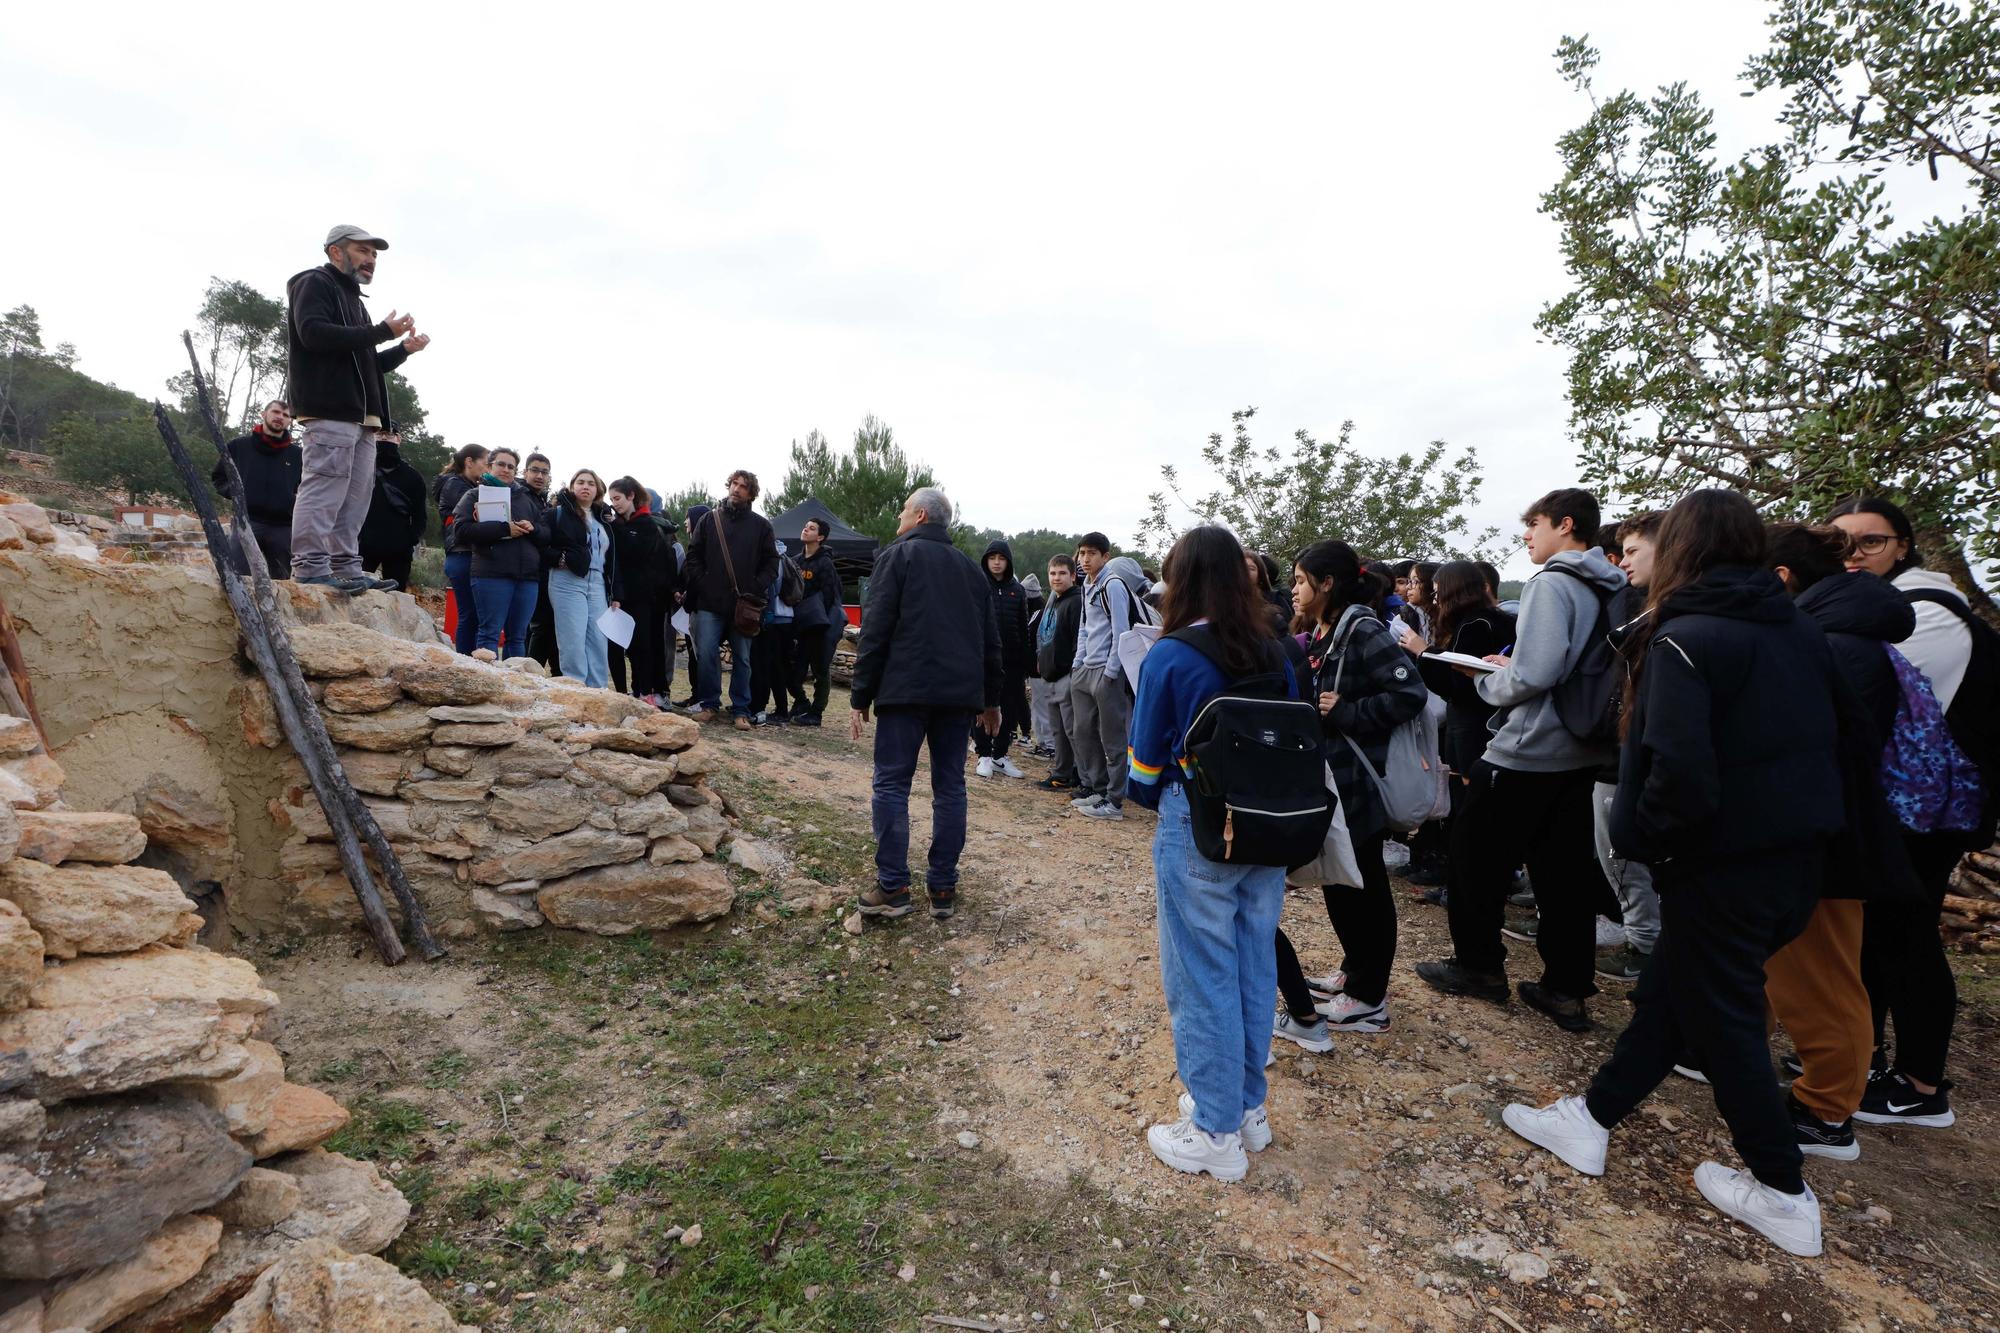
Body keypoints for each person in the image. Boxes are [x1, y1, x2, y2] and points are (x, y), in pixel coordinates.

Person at [1501, 489, 1845, 1259]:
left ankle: (1784, 1190)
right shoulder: (1799, 629)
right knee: (1672, 997)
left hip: (1720, 864)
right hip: (1798, 858)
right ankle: (1590, 1120)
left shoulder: (1685, 639)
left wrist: (1643, 843)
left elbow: (1674, 771)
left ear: (1682, 549)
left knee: (1723, 1018)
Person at [1127, 525, 1303, 1182]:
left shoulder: (1171, 654)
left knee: (1200, 976)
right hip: (1269, 829)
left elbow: (1143, 773)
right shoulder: (1274, 649)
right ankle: (1245, 1108)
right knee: (1253, 966)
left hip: (1199, 827)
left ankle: (1214, 1132)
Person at [1417, 487, 1627, 1034]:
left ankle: (1478, 968)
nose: (1527, 536)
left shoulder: (1553, 582)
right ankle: (1566, 988)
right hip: (1582, 747)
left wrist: (1486, 678)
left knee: (1472, 858)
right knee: (1565, 874)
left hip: (1530, 748)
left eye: (1532, 524)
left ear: (1564, 524)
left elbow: (1534, 674)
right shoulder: (1610, 584)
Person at [1761, 520, 1921, 1160]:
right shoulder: (1836, 633)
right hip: (1822, 831)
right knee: (1789, 970)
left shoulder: (1834, 643)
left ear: (1780, 580)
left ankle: (1826, 1110)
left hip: (1825, 840)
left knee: (1821, 979)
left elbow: (1810, 750)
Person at [1828, 495, 1983, 1128]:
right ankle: (1867, 1059)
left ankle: (1922, 1087)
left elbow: (1861, 695)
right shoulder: (1876, 605)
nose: (1855, 555)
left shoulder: (1928, 609)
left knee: (1908, 935)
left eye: (1870, 542)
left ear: (1902, 545)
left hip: (1925, 808)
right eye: (1840, 544)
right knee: (1876, 932)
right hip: (1887, 800)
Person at [1271, 542, 1429, 1053]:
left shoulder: (1361, 629)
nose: (1294, 590)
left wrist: (1348, 712)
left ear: (1327, 583)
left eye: (1300, 580)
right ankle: (1352, 973)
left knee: (1365, 885)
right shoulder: (1323, 632)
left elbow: (1410, 695)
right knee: (1341, 879)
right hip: (1331, 779)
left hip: (1358, 781)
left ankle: (1370, 998)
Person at [850, 488, 1001, 922]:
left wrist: (860, 695)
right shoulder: (973, 572)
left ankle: (894, 886)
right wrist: (990, 700)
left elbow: (875, 629)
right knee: (950, 786)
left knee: (892, 784)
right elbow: (991, 643)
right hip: (958, 698)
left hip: (905, 691)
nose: (898, 518)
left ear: (919, 515)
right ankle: (943, 886)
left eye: (902, 511)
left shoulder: (897, 558)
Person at [285, 224, 428, 592]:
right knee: (324, 489)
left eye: (374, 255)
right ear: (336, 252)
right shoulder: (313, 283)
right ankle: (310, 566)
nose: (371, 260)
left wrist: (403, 350)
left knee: (355, 496)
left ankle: (345, 566)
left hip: (362, 419)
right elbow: (313, 333)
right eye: (363, 251)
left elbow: (367, 364)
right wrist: (383, 331)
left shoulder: (354, 301)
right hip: (330, 410)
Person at [1410, 562, 1517, 906]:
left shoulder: (1473, 625)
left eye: (1439, 591)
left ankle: (1466, 887)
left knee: (1468, 807)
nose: (1435, 598)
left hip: (1471, 726)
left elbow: (1460, 686)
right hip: (1492, 723)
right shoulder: (1500, 619)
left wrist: (1423, 653)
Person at [1589, 511, 1664, 981]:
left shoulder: (1650, 612)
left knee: (1621, 853)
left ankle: (1644, 944)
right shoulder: (1649, 608)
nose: (1623, 563)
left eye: (1633, 551)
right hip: (1625, 750)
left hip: (1626, 758)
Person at [683, 472, 778, 730]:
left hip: (744, 605)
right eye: (734, 484)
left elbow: (772, 563)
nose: (737, 489)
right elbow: (694, 556)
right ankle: (709, 704)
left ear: (751, 493)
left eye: (744, 486)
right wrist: (704, 584)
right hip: (709, 604)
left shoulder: (761, 526)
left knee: (743, 659)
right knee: (705, 655)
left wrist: (755, 586)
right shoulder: (708, 520)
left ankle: (740, 710)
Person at [1069, 534, 1144, 820]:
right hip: (1085, 669)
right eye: (1082, 553)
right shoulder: (1088, 584)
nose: (1085, 559)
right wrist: (1078, 664)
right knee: (1083, 732)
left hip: (1106, 671)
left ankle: (1114, 801)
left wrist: (1111, 671)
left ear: (1106, 556)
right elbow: (1085, 628)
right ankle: (1098, 790)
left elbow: (1120, 630)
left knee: (1112, 737)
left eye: (1091, 553)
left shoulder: (1112, 585)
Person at [450, 448, 547, 660]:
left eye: (511, 466)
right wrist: (504, 529)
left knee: (518, 637)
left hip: (527, 577)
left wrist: (534, 528)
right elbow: (461, 531)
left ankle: (516, 688)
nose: (506, 470)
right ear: (489, 466)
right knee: (489, 634)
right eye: (501, 464)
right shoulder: (474, 494)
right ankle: (486, 688)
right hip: (491, 574)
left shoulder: (527, 499)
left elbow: (545, 534)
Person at [543, 469, 618, 688]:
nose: (585, 486)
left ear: (598, 490)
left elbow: (613, 559)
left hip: (597, 584)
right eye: (580, 482)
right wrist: (560, 558)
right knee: (572, 640)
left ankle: (598, 691)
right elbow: (539, 545)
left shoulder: (605, 520)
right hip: (567, 579)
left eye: (591, 483)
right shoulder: (556, 514)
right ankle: (575, 690)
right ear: (572, 486)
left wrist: (615, 592)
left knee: (598, 639)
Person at [606, 477, 677, 706]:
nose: (614, 503)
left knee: (646, 645)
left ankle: (647, 692)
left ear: (631, 496)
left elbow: (634, 552)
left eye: (617, 498)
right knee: (635, 646)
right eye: (611, 499)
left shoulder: (646, 524)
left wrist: (616, 526)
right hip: (629, 596)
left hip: (648, 598)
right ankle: (640, 690)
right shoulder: (625, 523)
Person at [210, 399, 300, 575]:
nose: (280, 417)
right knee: (239, 576)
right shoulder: (237, 446)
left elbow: (307, 487)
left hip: (283, 527)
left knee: (281, 581)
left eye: (285, 415)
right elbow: (219, 477)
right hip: (247, 522)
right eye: (275, 412)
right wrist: (236, 494)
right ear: (264, 414)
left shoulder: (298, 455)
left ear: (290, 421)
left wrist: (295, 500)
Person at [973, 539, 1032, 778]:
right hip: (984, 658)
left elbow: (1023, 627)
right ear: (986, 560)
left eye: (1001, 558)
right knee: (981, 707)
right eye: (992, 558)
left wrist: (1026, 659)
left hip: (1011, 660)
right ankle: (984, 755)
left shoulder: (1017, 590)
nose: (996, 563)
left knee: (1009, 708)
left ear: (1008, 561)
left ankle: (1000, 755)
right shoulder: (977, 585)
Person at [429, 444, 489, 654]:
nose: (488, 468)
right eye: (486, 462)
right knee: (469, 614)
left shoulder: (466, 484)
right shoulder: (455, 485)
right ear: (469, 462)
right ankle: (465, 658)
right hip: (461, 553)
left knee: (474, 614)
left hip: (468, 554)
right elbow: (477, 512)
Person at [1033, 555, 1086, 792]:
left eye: (1062, 573)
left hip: (1067, 675)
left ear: (1073, 575)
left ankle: (1086, 779)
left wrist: (1075, 672)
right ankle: (1062, 773)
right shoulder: (1054, 600)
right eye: (1053, 573)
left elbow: (1079, 640)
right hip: (1050, 675)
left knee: (1074, 731)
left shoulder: (1075, 602)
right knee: (1059, 731)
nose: (1057, 578)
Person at [788, 517, 844, 726]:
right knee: (793, 671)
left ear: (820, 537)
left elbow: (831, 596)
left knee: (820, 669)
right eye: (805, 526)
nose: (806, 529)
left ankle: (817, 713)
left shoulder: (825, 563)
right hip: (798, 625)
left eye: (811, 528)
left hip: (819, 626)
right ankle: (801, 702)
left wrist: (823, 623)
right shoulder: (795, 561)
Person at [357, 426, 427, 591]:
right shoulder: (360, 469)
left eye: (389, 434)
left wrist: (409, 539)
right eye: (379, 433)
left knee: (396, 597)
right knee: (357, 593)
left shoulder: (413, 476)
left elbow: (420, 516)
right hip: (362, 545)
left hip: (399, 549)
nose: (384, 438)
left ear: (398, 439)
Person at [750, 541, 799, 726]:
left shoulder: (773, 557)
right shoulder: (781, 554)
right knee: (775, 665)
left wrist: (766, 615)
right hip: (781, 617)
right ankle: (778, 708)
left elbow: (773, 588)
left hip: (775, 619)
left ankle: (780, 710)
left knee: (772, 666)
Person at [521, 453, 562, 675]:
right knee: (540, 627)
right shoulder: (519, 496)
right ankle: (531, 674)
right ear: (525, 472)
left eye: (544, 472)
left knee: (549, 627)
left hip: (543, 572)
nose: (539, 476)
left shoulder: (542, 501)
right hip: (528, 571)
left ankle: (557, 674)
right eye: (535, 470)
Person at [676, 504, 712, 709]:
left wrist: (688, 597)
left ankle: (703, 698)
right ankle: (695, 694)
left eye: (688, 517)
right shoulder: (693, 545)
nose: (685, 522)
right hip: (690, 608)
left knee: (702, 655)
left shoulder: (705, 548)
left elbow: (698, 579)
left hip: (701, 607)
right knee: (693, 654)